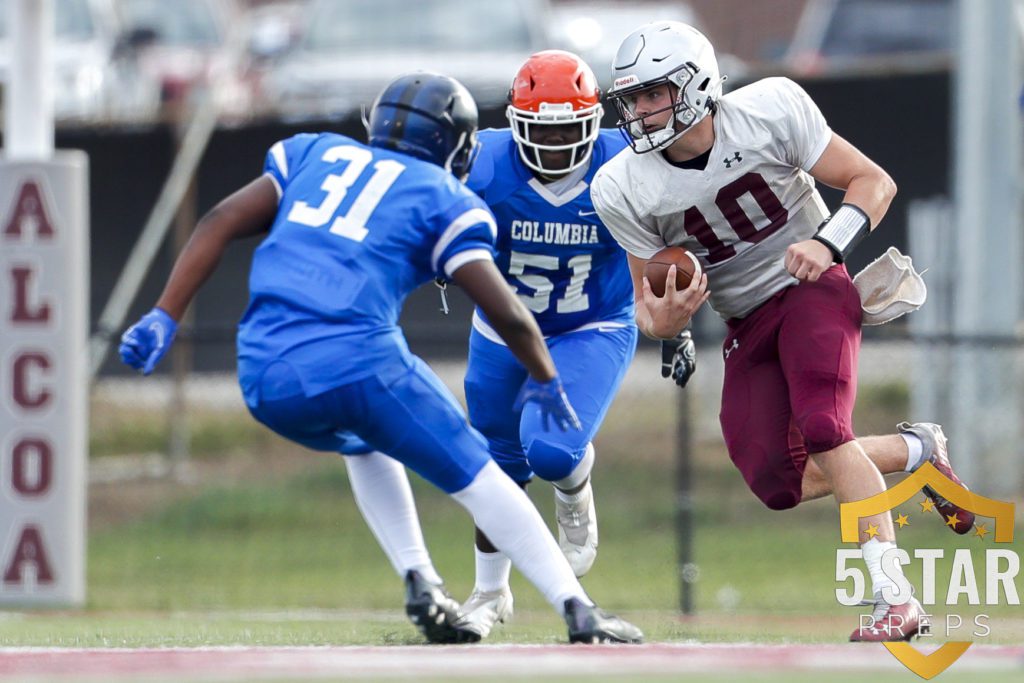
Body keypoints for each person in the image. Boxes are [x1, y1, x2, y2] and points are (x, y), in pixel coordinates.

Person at [119, 72, 643, 646]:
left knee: (363, 440)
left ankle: (420, 577)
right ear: (453, 145)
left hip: (265, 372)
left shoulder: (313, 153)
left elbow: (217, 221)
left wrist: (164, 315)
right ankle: (578, 609)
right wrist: (544, 378)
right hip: (359, 361)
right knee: (484, 477)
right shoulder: (441, 195)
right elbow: (510, 314)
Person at [590, 21, 975, 643]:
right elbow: (648, 302)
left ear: (695, 85)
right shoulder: (621, 186)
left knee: (825, 427)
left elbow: (873, 182)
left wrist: (828, 242)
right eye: (631, 99)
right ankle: (917, 452)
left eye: (652, 94)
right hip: (745, 319)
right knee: (778, 481)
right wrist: (667, 323)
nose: (638, 111)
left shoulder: (771, 109)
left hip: (812, 291)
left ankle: (894, 598)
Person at [453, 50, 696, 640]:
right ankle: (489, 592)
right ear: (514, 123)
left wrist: (675, 322)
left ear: (595, 123)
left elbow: (671, 245)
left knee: (553, 452)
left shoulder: (625, 160)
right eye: (544, 129)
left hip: (593, 323)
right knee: (496, 466)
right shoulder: (483, 163)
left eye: (570, 128)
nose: (559, 143)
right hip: (502, 325)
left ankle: (575, 481)